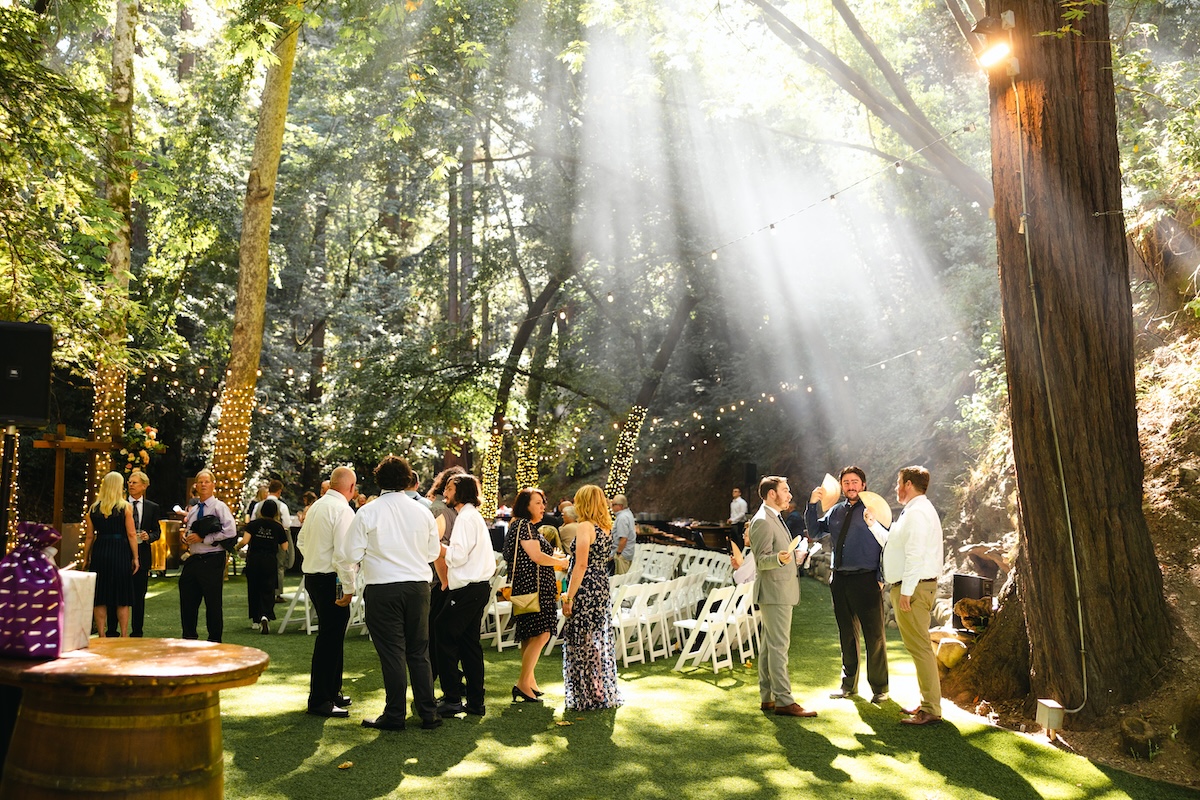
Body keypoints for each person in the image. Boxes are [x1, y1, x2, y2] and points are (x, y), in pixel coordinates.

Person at [335, 455, 443, 731]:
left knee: (393, 653)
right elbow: (432, 552)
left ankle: (395, 714)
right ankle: (428, 712)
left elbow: (350, 553)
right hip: (418, 587)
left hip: (383, 587)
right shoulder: (423, 511)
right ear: (408, 479)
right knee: (419, 651)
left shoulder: (369, 512)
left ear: (378, 479)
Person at [865, 466, 945, 726]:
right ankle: (927, 702)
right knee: (917, 647)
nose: (895, 488)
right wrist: (873, 525)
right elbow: (894, 545)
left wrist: (906, 592)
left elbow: (915, 555)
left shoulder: (918, 513)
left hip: (916, 587)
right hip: (913, 585)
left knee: (921, 648)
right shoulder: (913, 511)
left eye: (898, 482)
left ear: (908, 484)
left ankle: (932, 708)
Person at [806, 466, 889, 703]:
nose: (851, 486)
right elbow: (814, 531)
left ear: (863, 484)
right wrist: (812, 505)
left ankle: (880, 688)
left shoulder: (875, 509)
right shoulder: (835, 511)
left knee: (874, 635)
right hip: (840, 579)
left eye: (855, 482)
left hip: (867, 578)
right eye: (846, 482)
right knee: (846, 634)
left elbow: (888, 544)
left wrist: (881, 576)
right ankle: (848, 685)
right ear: (841, 486)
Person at [749, 476, 817, 717]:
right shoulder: (762, 521)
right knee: (779, 647)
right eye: (785, 491)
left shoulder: (773, 517)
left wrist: (792, 558)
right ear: (771, 494)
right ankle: (784, 700)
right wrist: (779, 558)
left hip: (778, 590)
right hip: (774, 592)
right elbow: (761, 561)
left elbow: (776, 555)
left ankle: (768, 697)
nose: (789, 495)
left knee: (770, 647)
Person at [297, 466, 357, 718]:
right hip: (330, 580)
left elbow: (301, 541)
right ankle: (320, 699)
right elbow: (344, 555)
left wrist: (313, 559)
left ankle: (332, 691)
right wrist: (349, 586)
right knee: (329, 639)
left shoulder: (317, 507)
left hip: (314, 576)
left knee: (332, 637)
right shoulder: (342, 510)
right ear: (351, 489)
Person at [434, 474, 496, 717]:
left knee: (442, 632)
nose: (445, 493)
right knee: (469, 644)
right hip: (476, 588)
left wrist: (434, 545)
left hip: (468, 589)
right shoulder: (471, 516)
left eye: (449, 488)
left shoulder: (466, 518)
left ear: (461, 492)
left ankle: (452, 698)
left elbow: (457, 556)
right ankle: (475, 701)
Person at [504, 487, 570, 702]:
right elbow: (536, 556)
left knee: (530, 634)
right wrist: (560, 562)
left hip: (528, 587)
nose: (543, 507)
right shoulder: (524, 525)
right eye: (538, 503)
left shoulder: (522, 525)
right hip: (534, 588)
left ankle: (529, 681)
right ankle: (523, 683)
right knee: (542, 633)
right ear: (526, 506)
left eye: (543, 502)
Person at [561, 484, 622, 711]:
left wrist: (569, 596)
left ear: (584, 503)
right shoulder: (605, 526)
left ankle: (588, 692)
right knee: (594, 637)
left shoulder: (585, 526)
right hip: (601, 583)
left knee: (582, 638)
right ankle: (597, 688)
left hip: (585, 586)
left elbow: (581, 563)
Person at [180, 469, 237, 642]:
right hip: (194, 559)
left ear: (213, 485)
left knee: (213, 603)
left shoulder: (219, 507)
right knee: (187, 598)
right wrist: (186, 537)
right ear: (195, 486)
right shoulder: (193, 509)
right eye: (200, 482)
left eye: (207, 481)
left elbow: (231, 531)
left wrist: (205, 538)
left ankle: (214, 640)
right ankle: (189, 637)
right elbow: (190, 530)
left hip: (212, 558)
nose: (203, 484)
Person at [106, 469, 162, 637]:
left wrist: (148, 536)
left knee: (139, 596)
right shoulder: (119, 505)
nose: (130, 485)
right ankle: (112, 630)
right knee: (115, 594)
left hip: (143, 555)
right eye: (129, 482)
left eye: (134, 482)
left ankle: (137, 631)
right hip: (121, 554)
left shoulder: (153, 507)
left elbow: (157, 531)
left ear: (144, 486)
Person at [83, 471, 139, 637]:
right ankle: (123, 634)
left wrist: (86, 557)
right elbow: (131, 534)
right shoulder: (125, 507)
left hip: (100, 550)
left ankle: (101, 634)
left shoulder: (93, 508)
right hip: (120, 551)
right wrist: (135, 557)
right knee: (122, 595)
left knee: (100, 595)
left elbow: (89, 536)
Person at [426, 465, 465, 682]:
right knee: (436, 634)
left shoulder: (448, 509)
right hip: (439, 580)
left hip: (445, 579)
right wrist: (445, 581)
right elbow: (436, 548)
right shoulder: (441, 510)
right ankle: (432, 682)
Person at [238, 499, 289, 634]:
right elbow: (285, 546)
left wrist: (236, 548)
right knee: (268, 588)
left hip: (254, 559)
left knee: (254, 588)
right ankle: (265, 615)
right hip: (269, 560)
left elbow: (245, 541)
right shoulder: (278, 527)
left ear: (261, 511)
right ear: (275, 512)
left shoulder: (253, 524)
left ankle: (255, 620)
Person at [252, 479, 293, 603]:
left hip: (259, 540)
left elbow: (253, 520)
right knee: (279, 566)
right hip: (277, 539)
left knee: (261, 566)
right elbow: (286, 524)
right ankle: (277, 593)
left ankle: (260, 592)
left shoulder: (258, 505)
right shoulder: (283, 506)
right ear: (279, 491)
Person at [610, 493, 636, 575]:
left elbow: (623, 538)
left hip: (622, 555)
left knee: (619, 580)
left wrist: (618, 553)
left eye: (614, 505)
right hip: (627, 552)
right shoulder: (628, 514)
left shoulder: (622, 518)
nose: (612, 507)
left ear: (620, 506)